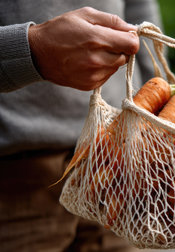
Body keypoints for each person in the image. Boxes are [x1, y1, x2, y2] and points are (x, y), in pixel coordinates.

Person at [0, 1, 163, 251]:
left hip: (119, 169)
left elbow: (138, 8)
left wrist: (160, 96)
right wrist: (30, 49)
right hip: (13, 180)